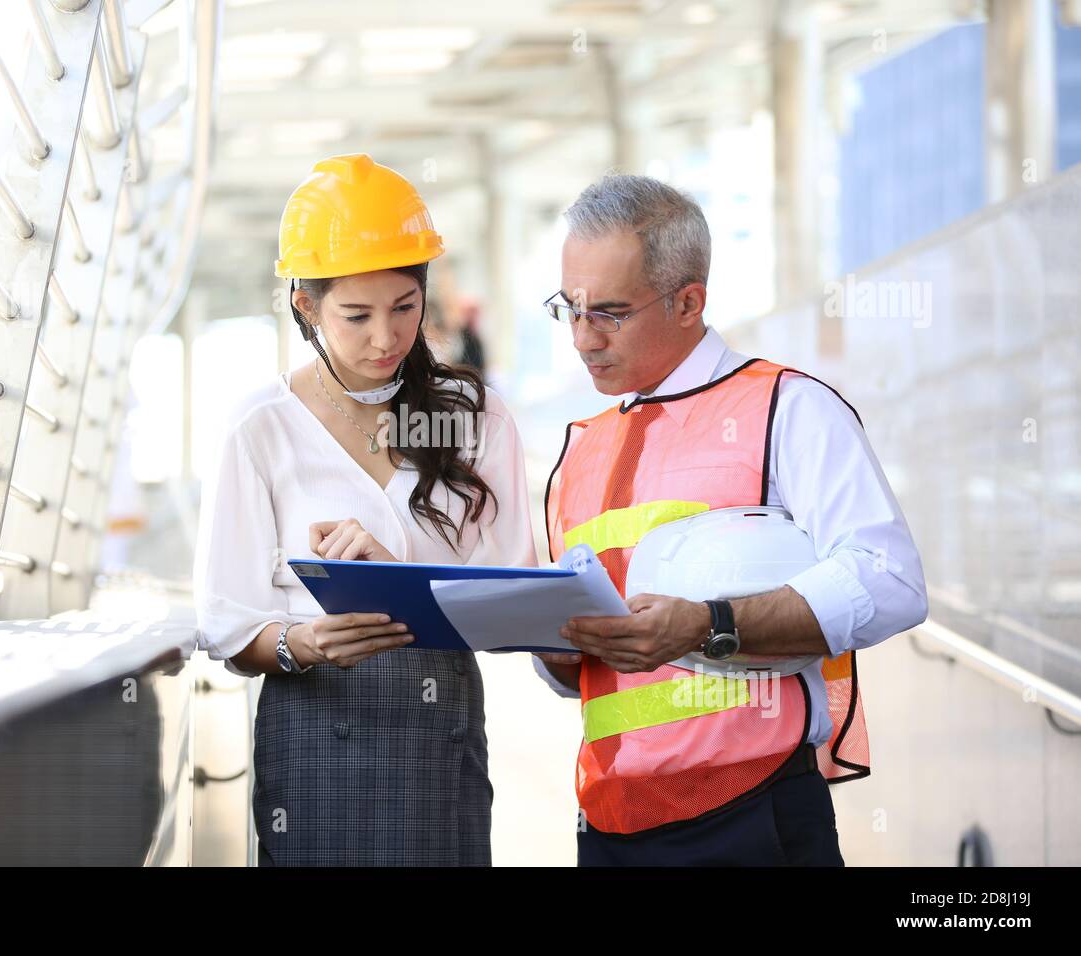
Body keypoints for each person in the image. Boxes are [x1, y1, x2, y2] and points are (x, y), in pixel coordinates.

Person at [535, 173, 929, 866]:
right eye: (569, 309)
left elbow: (892, 581)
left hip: (752, 819)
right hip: (608, 823)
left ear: (689, 302)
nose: (582, 338)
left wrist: (711, 625)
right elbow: (583, 678)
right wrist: (551, 643)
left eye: (611, 313)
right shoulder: (581, 444)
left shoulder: (788, 407)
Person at [193, 154, 537, 866]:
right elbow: (228, 623)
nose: (385, 338)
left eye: (404, 308)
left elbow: (515, 599)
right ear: (305, 304)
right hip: (317, 732)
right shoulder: (260, 429)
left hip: (440, 733)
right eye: (356, 315)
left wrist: (401, 582)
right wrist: (304, 643)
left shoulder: (474, 418)